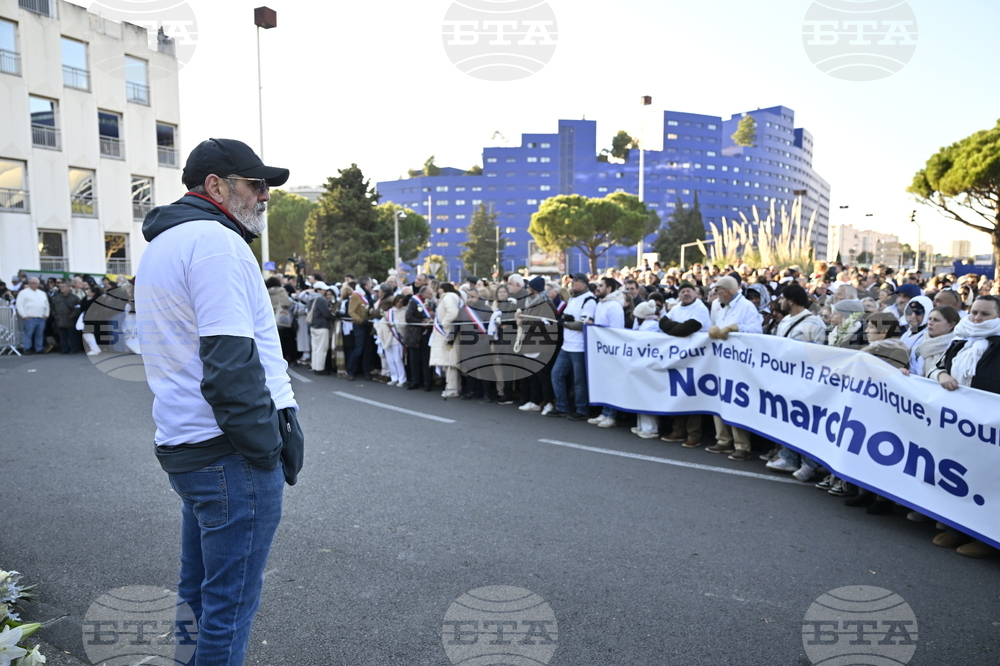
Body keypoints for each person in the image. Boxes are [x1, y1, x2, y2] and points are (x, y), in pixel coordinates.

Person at [134, 137, 303, 664]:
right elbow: (230, 365)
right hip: (229, 455)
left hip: (191, 444)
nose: (265, 196)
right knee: (227, 611)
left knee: (198, 599)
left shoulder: (166, 242)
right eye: (256, 185)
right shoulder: (215, 243)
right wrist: (265, 449)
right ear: (216, 186)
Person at [929, 295, 1000, 558]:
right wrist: (943, 375)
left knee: (988, 481)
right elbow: (937, 368)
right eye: (974, 313)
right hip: (958, 425)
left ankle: (988, 538)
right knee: (959, 476)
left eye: (986, 315)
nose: (978, 319)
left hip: (989, 428)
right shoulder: (961, 338)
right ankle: (958, 528)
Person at [764, 284, 827, 481]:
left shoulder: (813, 324)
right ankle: (788, 456)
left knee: (806, 421)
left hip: (804, 381)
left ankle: (809, 463)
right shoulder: (785, 322)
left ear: (791, 300)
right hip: (785, 379)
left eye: (782, 298)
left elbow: (819, 355)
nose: (780, 302)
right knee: (787, 419)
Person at [705, 275, 762, 461]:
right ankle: (723, 439)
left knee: (736, 402)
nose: (716, 294)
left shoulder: (746, 306)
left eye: (718, 290)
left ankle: (742, 445)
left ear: (727, 290)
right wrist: (714, 329)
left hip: (739, 364)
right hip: (723, 361)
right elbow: (719, 327)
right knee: (719, 399)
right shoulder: (723, 308)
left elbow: (757, 331)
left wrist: (737, 328)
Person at [658, 282, 711, 448]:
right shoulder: (676, 308)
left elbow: (689, 327)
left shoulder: (700, 309)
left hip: (697, 359)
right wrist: (676, 327)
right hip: (678, 358)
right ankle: (678, 430)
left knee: (693, 395)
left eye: (688, 291)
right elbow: (663, 323)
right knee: (678, 394)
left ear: (695, 293)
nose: (685, 294)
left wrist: (674, 328)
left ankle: (693, 434)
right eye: (682, 291)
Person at [548, 273, 597, 420]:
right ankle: (562, 405)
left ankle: (582, 409)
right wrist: (566, 321)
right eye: (572, 280)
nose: (572, 283)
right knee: (556, 374)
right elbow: (565, 317)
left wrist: (565, 323)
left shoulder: (589, 300)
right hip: (567, 345)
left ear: (584, 284)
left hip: (579, 346)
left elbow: (582, 324)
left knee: (579, 381)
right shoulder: (573, 298)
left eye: (576, 281)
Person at [587, 277, 626, 428]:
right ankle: (604, 412)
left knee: (612, 383)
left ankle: (611, 415)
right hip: (601, 350)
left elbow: (616, 330)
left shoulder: (614, 306)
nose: (598, 288)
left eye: (601, 286)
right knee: (604, 383)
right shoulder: (601, 304)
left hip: (611, 350)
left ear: (609, 288)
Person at [430, 282, 463, 398]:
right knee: (449, 362)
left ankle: (452, 388)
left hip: (447, 333)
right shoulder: (452, 297)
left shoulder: (448, 297)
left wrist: (444, 324)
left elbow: (453, 313)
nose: (438, 291)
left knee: (450, 362)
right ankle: (455, 386)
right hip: (448, 332)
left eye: (439, 288)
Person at [15, 277, 49, 354]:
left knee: (40, 335)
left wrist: (46, 314)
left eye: (34, 283)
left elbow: (46, 305)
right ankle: (27, 348)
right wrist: (24, 315)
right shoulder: (23, 293)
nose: (32, 284)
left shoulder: (42, 293)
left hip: (41, 317)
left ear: (38, 284)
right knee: (28, 334)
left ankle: (39, 348)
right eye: (31, 283)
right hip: (29, 317)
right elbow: (19, 305)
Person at [51, 281, 82, 354]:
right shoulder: (57, 297)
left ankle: (73, 349)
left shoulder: (74, 298)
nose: (61, 288)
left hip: (70, 320)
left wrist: (72, 315)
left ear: (68, 287)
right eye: (60, 287)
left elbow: (78, 308)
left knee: (72, 336)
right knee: (62, 336)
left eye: (63, 287)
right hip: (60, 320)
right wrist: (54, 314)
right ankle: (64, 349)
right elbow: (52, 307)